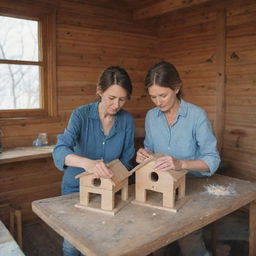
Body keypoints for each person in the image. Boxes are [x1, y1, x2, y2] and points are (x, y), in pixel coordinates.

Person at [136, 61, 220, 256]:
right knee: (153, 238)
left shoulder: (197, 115)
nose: (158, 102)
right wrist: (144, 154)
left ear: (176, 88)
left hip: (192, 186)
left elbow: (212, 159)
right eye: (153, 97)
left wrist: (180, 163)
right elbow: (150, 148)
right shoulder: (151, 116)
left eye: (163, 95)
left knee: (188, 238)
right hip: (161, 184)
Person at [53, 66, 135, 256]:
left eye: (122, 99)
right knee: (73, 243)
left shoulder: (126, 120)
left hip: (111, 189)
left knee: (103, 241)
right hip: (76, 188)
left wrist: (115, 182)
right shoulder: (80, 115)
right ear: (99, 91)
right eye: (111, 98)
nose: (116, 105)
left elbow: (126, 160)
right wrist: (88, 163)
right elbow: (60, 150)